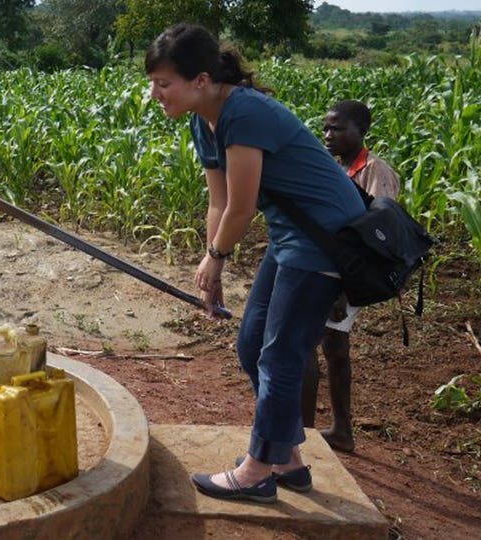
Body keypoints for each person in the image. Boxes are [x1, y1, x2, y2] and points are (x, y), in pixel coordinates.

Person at [144, 24, 366, 503]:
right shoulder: (201, 119)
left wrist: (217, 257)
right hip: (294, 236)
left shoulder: (242, 111)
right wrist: (211, 266)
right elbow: (219, 202)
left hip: (326, 238)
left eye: (163, 83)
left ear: (201, 79)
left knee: (281, 355)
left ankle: (258, 473)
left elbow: (243, 208)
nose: (154, 93)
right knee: (252, 345)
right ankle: (287, 458)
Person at [301, 100, 401, 453]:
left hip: (352, 276)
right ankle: (341, 430)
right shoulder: (333, 168)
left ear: (362, 132)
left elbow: (378, 237)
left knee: (306, 345)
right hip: (330, 268)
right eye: (325, 128)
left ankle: (304, 437)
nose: (328, 135)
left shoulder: (376, 172)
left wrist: (345, 292)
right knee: (333, 345)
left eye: (338, 129)